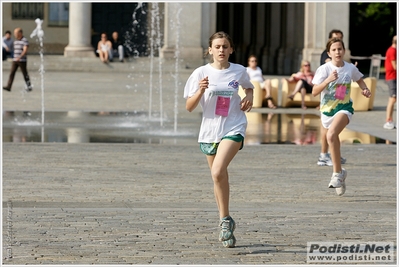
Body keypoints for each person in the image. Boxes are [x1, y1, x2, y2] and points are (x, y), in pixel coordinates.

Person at [184, 31, 253, 248]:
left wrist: (249, 96)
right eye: (217, 46)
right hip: (209, 130)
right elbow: (189, 106)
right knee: (218, 177)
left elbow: (249, 86)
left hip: (233, 126)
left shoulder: (239, 70)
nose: (221, 50)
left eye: (225, 46)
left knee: (217, 171)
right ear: (210, 50)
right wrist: (200, 90)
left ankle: (224, 222)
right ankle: (226, 221)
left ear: (231, 49)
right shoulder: (200, 73)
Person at [312, 37, 372, 196]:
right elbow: (314, 92)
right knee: (333, 138)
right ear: (329, 53)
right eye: (334, 50)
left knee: (331, 135)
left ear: (344, 51)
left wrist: (365, 89)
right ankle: (340, 172)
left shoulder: (350, 68)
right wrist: (328, 80)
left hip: (344, 108)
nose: (337, 52)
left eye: (340, 49)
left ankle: (336, 174)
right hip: (327, 111)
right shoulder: (324, 69)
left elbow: (359, 79)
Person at [317, 29, 347, 167]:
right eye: (335, 38)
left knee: (335, 128)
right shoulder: (326, 56)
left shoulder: (344, 63)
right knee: (327, 128)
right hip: (328, 95)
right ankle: (323, 155)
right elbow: (330, 65)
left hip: (339, 92)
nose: (337, 52)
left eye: (340, 39)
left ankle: (334, 153)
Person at [3, 28, 32, 92]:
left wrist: (20, 56)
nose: (14, 34)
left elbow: (25, 50)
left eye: (15, 33)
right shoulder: (15, 41)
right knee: (12, 73)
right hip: (15, 60)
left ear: (20, 33)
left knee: (25, 73)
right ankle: (8, 86)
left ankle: (29, 86)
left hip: (22, 61)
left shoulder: (25, 40)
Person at [383, 35, 397, 130]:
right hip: (392, 77)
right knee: (393, 98)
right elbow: (395, 66)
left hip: (393, 77)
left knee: (393, 98)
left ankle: (390, 120)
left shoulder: (394, 50)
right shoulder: (392, 51)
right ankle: (388, 120)